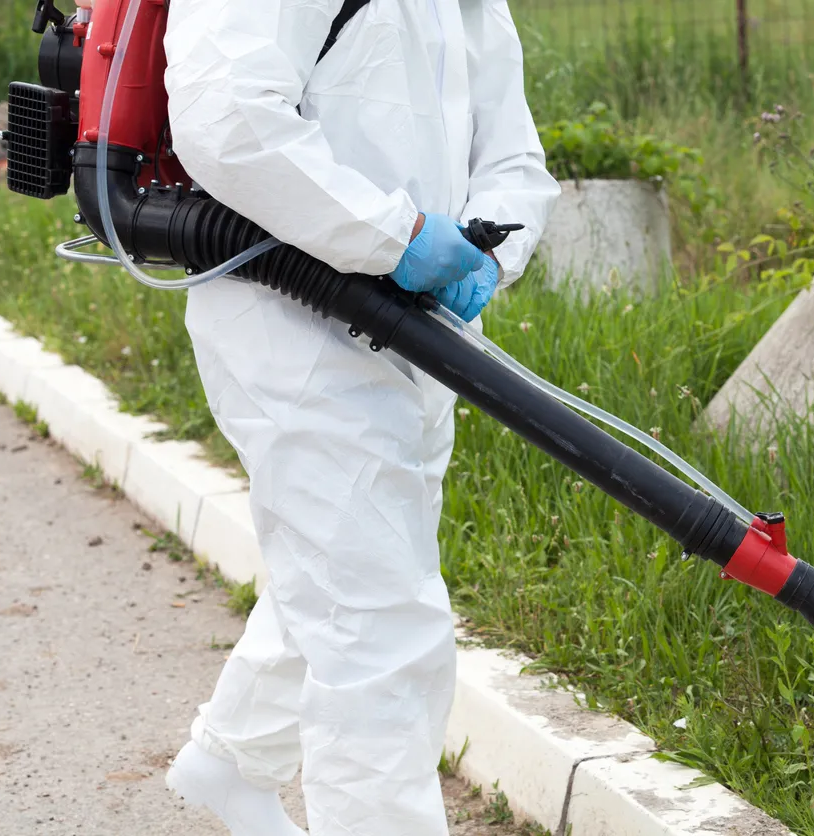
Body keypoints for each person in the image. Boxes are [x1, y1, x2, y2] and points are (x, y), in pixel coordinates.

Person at [156, 1, 559, 835]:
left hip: (421, 336)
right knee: (381, 624)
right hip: (287, 325)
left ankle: (230, 761)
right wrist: (397, 235)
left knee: (356, 564)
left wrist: (489, 253)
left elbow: (513, 150)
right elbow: (224, 111)